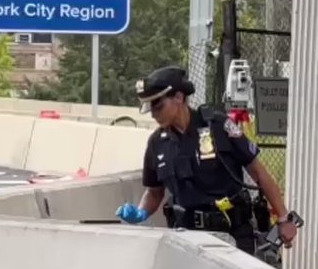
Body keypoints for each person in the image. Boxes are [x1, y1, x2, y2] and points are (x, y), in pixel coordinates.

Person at [117, 66, 299, 255]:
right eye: (150, 109)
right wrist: (140, 213)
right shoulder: (157, 143)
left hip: (231, 234)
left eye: (158, 106)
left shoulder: (219, 126)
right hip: (187, 238)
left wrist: (283, 218)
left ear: (178, 98)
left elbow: (259, 173)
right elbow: (154, 192)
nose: (154, 114)